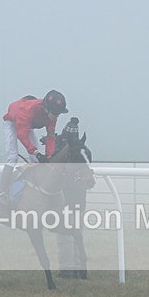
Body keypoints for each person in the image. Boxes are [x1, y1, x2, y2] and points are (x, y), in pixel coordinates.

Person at [0, 90, 68, 206]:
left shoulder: (52, 115)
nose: (56, 117)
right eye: (55, 114)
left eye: (58, 114)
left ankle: (34, 187)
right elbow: (22, 135)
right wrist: (35, 152)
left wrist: (49, 156)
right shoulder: (27, 111)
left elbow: (50, 137)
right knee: (12, 157)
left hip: (27, 124)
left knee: (36, 159)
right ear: (46, 109)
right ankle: (1, 192)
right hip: (12, 122)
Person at [55, 117, 93, 278]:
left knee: (65, 236)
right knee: (76, 234)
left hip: (66, 200)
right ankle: (79, 268)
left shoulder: (64, 150)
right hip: (77, 200)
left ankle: (67, 269)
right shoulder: (82, 150)